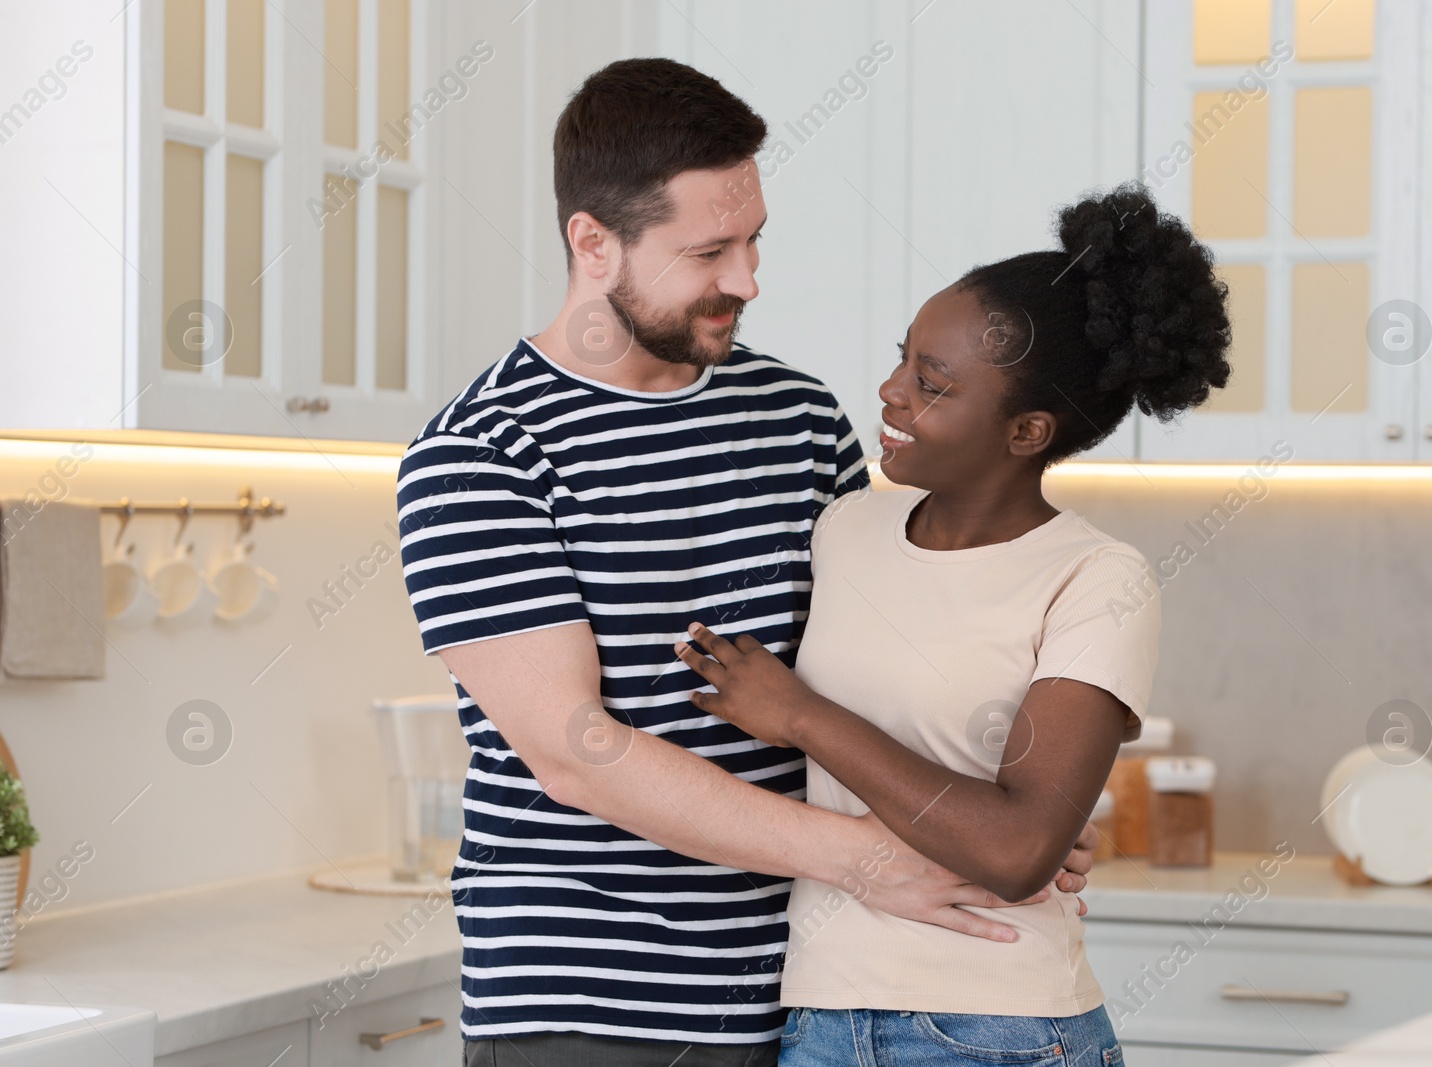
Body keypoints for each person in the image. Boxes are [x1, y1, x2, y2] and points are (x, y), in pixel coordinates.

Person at [394, 57, 1100, 1067]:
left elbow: (872, 659)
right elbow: (572, 748)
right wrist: (871, 858)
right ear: (591, 242)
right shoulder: (480, 455)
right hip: (592, 1009)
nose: (747, 280)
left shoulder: (798, 416)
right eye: (708, 251)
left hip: (809, 994)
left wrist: (996, 816)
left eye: (755, 237)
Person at [672, 183, 1232, 1065]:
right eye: (903, 359)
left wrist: (802, 715)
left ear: (1027, 431)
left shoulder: (1096, 578)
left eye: (932, 385)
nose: (891, 393)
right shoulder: (844, 529)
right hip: (819, 1018)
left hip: (996, 1030)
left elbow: (1016, 849)